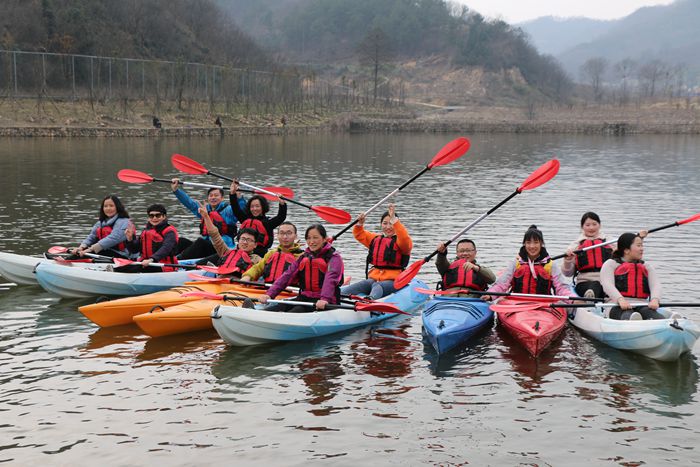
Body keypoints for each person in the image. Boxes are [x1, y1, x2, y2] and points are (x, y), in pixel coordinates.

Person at [258, 224, 344, 313]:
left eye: (315, 238)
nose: (311, 241)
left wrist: (325, 299)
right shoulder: (304, 257)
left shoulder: (334, 258)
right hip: (305, 297)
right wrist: (269, 294)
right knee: (282, 306)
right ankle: (256, 313)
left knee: (298, 310)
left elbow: (330, 279)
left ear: (324, 239)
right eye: (308, 238)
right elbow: (287, 276)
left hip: (326, 301)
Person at [341, 203, 412, 299]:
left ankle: (370, 300)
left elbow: (404, 238)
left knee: (377, 286)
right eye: (385, 223)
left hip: (394, 281)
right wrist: (359, 223)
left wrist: (395, 220)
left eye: (391, 223)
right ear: (381, 224)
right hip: (374, 278)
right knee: (364, 283)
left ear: (396, 225)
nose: (388, 227)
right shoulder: (375, 239)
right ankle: (337, 295)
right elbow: (360, 235)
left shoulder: (402, 242)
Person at [483, 225, 572, 300]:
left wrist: (572, 299)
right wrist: (490, 295)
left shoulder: (550, 265)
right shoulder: (516, 263)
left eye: (536, 242)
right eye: (528, 242)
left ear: (541, 244)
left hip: (543, 305)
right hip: (516, 303)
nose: (532, 246)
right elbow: (502, 284)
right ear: (524, 244)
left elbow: (561, 287)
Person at [171, 178, 246, 260]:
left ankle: (177, 261)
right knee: (181, 241)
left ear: (222, 198)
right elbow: (189, 203)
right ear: (208, 198)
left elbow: (240, 211)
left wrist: (238, 196)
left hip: (222, 248)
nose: (213, 198)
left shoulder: (228, 210)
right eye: (211, 195)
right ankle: (169, 258)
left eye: (216, 195)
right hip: (206, 246)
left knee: (201, 242)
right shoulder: (205, 210)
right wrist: (176, 191)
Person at [600, 232, 665, 320]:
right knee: (628, 315)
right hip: (616, 305)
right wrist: (620, 300)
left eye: (642, 246)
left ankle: (668, 322)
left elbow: (656, 285)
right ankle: (632, 322)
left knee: (653, 315)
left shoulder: (646, 266)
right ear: (626, 250)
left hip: (642, 304)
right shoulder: (610, 264)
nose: (642, 249)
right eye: (638, 246)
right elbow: (607, 285)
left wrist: (655, 299)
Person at [197, 203, 261, 278]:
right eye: (243, 239)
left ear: (255, 244)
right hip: (219, 282)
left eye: (249, 240)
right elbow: (214, 235)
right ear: (238, 240)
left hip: (238, 285)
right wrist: (206, 217)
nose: (245, 242)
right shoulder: (226, 252)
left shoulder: (258, 260)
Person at [230, 179, 287, 257]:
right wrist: (232, 194)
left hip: (259, 255)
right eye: (252, 207)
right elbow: (235, 208)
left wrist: (282, 204)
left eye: (257, 206)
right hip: (242, 253)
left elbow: (281, 217)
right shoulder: (245, 219)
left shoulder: (267, 223)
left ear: (263, 207)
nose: (254, 209)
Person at [562, 212, 613, 299]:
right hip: (584, 283)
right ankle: (590, 299)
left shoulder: (610, 242)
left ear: (599, 225)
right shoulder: (575, 246)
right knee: (595, 285)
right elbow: (568, 274)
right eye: (588, 225)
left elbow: (627, 255)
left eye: (594, 224)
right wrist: (567, 261)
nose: (591, 228)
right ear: (582, 227)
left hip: (607, 282)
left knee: (604, 287)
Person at [120, 204, 179, 273]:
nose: (154, 218)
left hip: (165, 267)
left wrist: (152, 259)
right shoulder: (146, 231)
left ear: (164, 217)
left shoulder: (169, 232)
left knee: (134, 269)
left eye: (158, 215)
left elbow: (166, 248)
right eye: (151, 216)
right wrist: (129, 239)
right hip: (146, 263)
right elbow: (134, 250)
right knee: (126, 267)